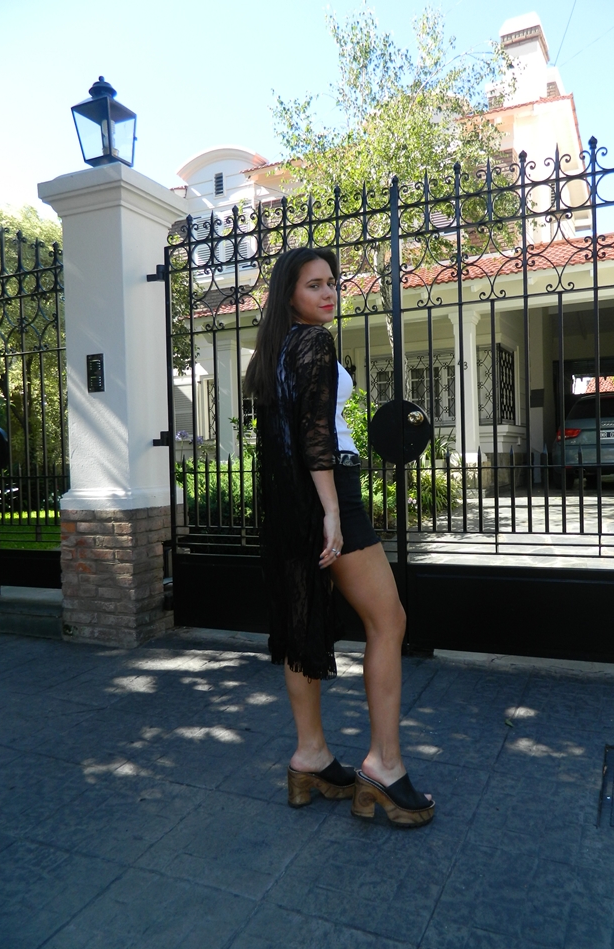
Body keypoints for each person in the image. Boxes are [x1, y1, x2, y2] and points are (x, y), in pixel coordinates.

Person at [244, 247, 434, 828]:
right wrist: (331, 510)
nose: (328, 293)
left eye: (332, 282)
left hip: (287, 501)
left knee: (303, 624)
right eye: (314, 285)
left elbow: (285, 434)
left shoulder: (272, 350)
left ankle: (311, 756)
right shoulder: (315, 342)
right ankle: (384, 766)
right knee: (389, 620)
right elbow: (317, 434)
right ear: (289, 294)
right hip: (330, 493)